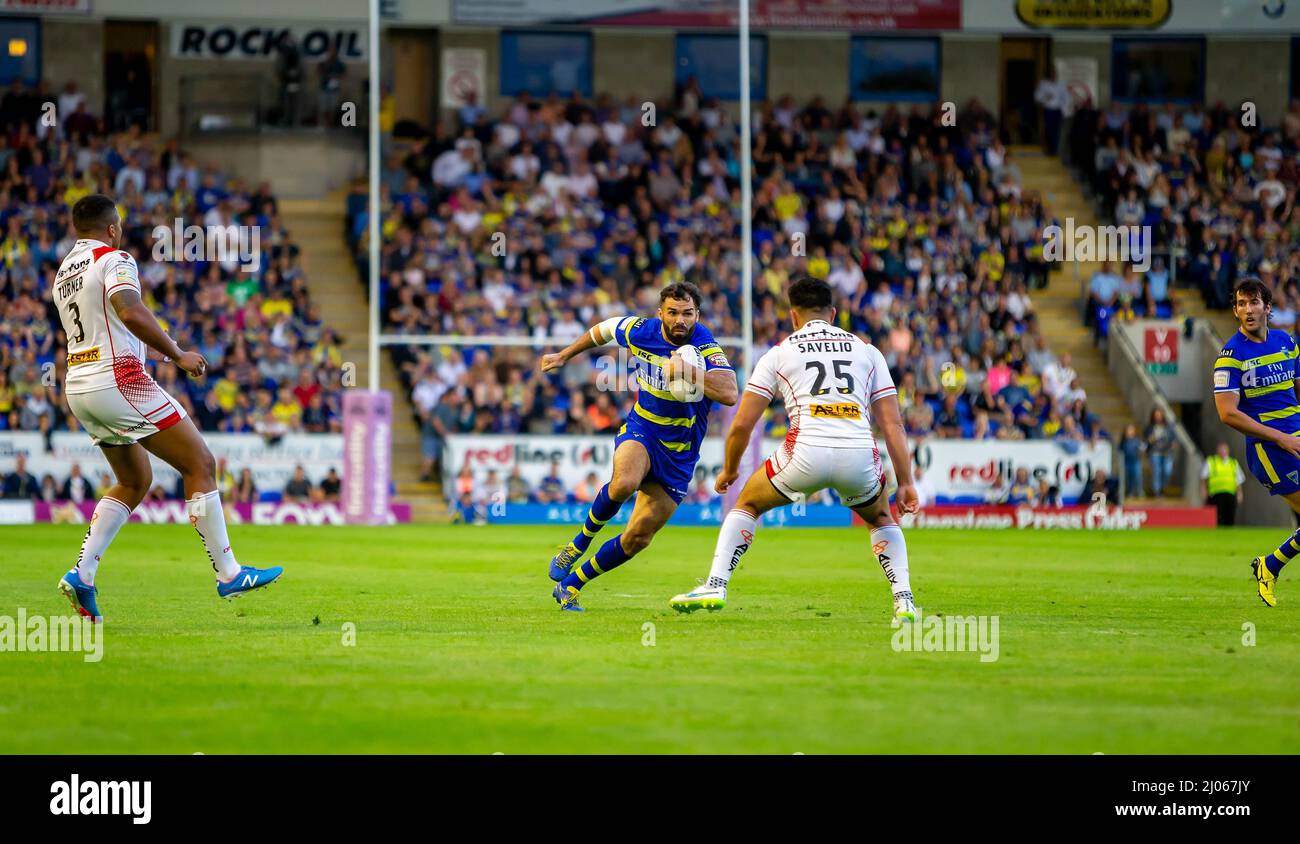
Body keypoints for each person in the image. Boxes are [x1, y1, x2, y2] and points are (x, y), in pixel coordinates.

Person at [52, 194, 282, 622]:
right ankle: (228, 572)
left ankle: (83, 574)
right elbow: (130, 310)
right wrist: (176, 354)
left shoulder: (64, 273)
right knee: (199, 462)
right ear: (113, 228)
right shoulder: (115, 258)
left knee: (135, 479)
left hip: (79, 385)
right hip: (119, 380)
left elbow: (113, 326)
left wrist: (155, 348)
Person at [667, 277, 919, 621]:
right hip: (858, 452)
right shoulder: (867, 351)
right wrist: (905, 482)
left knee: (749, 503)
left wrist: (730, 469)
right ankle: (904, 600)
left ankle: (715, 583)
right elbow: (892, 425)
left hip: (805, 451)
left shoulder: (780, 352)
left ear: (794, 316)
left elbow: (742, 423)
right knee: (880, 517)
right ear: (832, 313)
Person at [540, 281, 738, 611]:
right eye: (672, 313)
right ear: (660, 312)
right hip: (643, 428)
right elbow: (602, 331)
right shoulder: (640, 330)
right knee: (624, 483)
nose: (680, 321)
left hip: (680, 453)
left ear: (697, 315)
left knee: (637, 539)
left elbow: (730, 392)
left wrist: (687, 371)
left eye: (687, 314)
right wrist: (564, 354)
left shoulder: (705, 345)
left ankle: (571, 585)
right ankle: (578, 543)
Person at [1213, 277, 1300, 606]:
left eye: (1253, 302)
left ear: (1268, 307)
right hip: (1270, 451)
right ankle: (1271, 564)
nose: (1247, 309)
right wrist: (1280, 437)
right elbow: (1227, 413)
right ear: (1235, 311)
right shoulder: (1230, 356)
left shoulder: (1286, 342)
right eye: (1241, 304)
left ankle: (1270, 564)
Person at [1201, 442, 1245, 527]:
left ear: (1228, 451)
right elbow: (1203, 478)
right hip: (1215, 494)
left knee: (1230, 515)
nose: (1223, 451)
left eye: (1224, 449)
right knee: (1218, 517)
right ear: (1217, 451)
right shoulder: (1211, 461)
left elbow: (1238, 480)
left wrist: (1239, 493)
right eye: (1221, 449)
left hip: (1230, 493)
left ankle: (1229, 535)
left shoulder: (1233, 463)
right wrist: (1204, 491)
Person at [1145, 408, 1176, 497]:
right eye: (1156, 416)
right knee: (1157, 471)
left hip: (1167, 452)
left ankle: (1163, 487)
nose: (1158, 417)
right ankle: (1157, 491)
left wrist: (1173, 444)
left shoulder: (1168, 426)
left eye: (1159, 415)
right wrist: (1151, 439)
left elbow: (1173, 438)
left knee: (1167, 471)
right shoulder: (1150, 427)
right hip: (1155, 452)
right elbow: (1147, 440)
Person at [1118, 424, 1145, 500]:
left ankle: (1140, 492)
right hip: (1126, 462)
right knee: (1129, 478)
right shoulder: (1123, 441)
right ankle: (1130, 492)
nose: (1130, 432)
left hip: (1135, 461)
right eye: (1128, 430)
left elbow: (1142, 448)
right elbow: (1120, 450)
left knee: (1137, 476)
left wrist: (1141, 451)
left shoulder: (1137, 440)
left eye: (1131, 430)